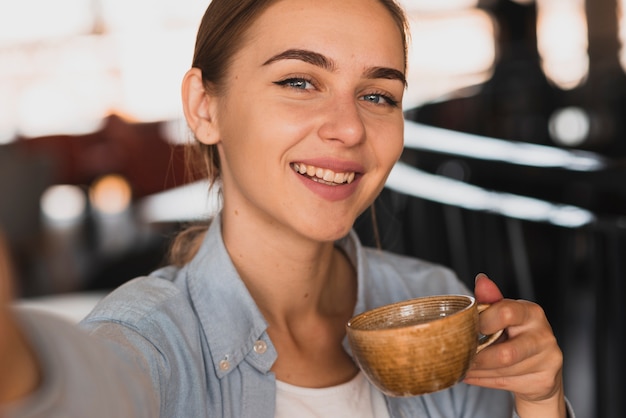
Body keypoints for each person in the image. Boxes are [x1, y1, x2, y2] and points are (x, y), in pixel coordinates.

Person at [0, 0, 573, 417]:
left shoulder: (431, 304)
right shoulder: (150, 343)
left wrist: (540, 399)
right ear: (205, 107)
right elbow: (80, 387)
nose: (349, 129)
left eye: (378, 96)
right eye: (300, 82)